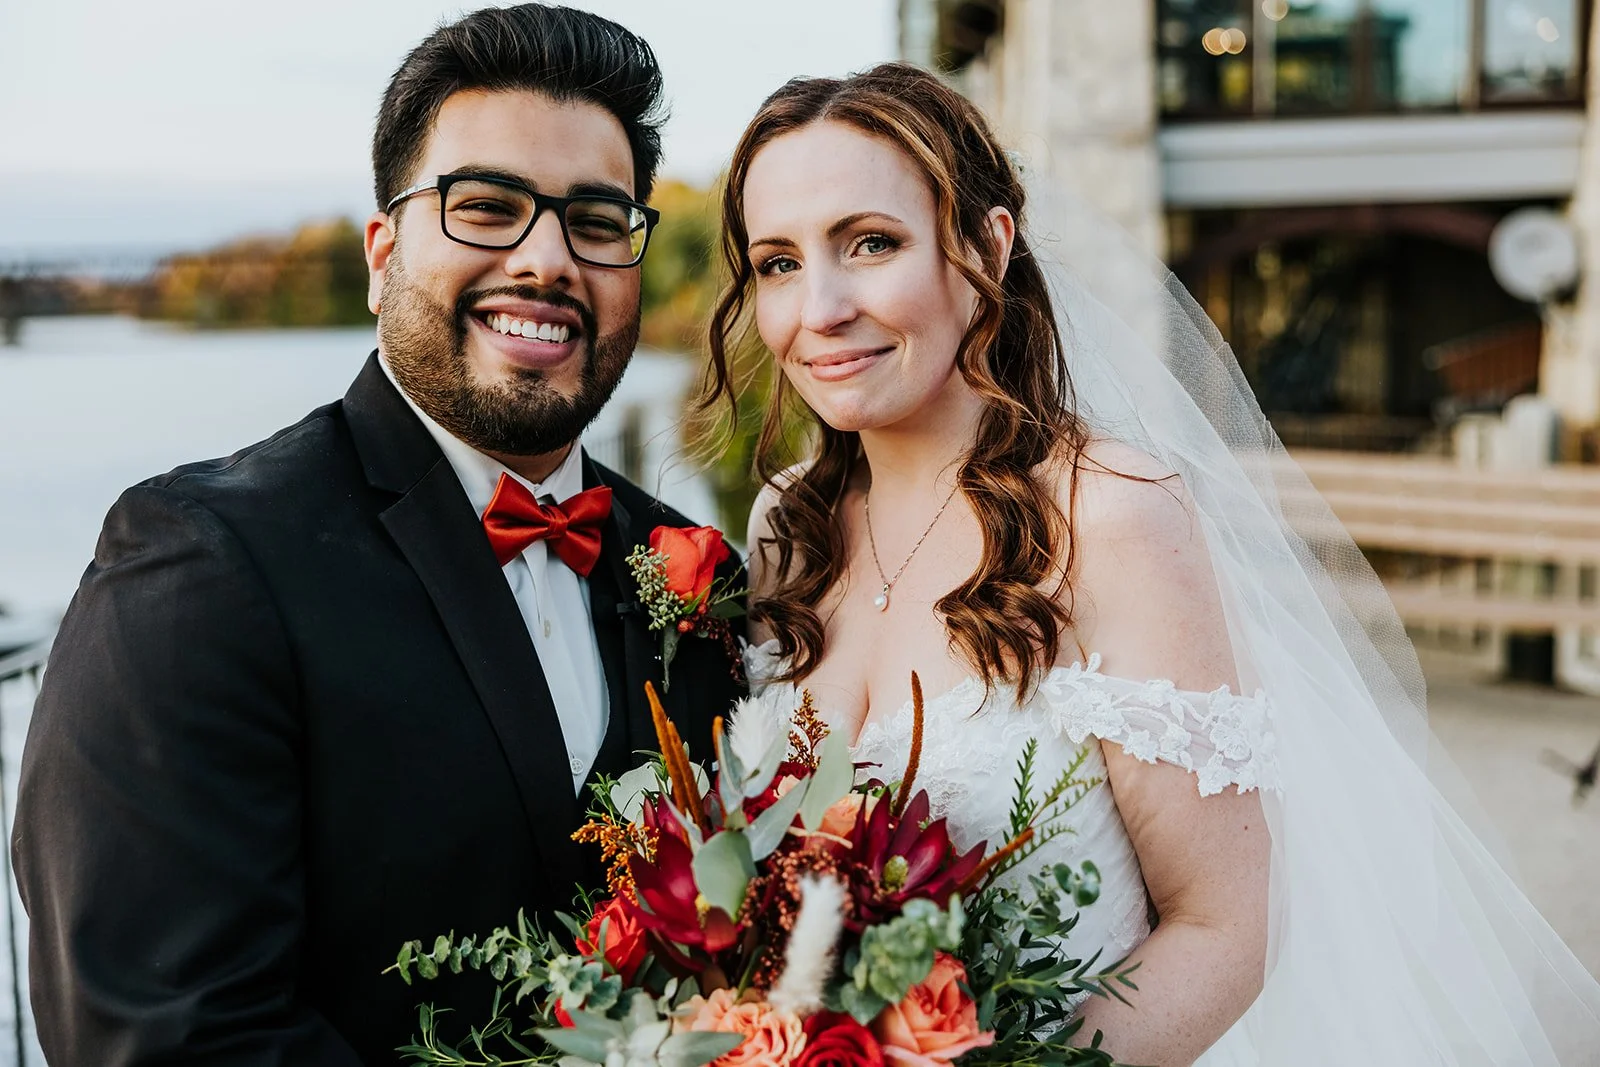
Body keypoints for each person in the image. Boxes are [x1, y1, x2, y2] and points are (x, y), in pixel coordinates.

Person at [707, 63, 1600, 1065]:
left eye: (871, 243)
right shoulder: (787, 525)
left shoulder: (1111, 515)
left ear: (988, 247)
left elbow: (1227, 928)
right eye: (778, 262)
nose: (820, 307)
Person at [12, 6, 744, 1064]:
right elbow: (166, 1035)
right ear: (382, 254)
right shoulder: (199, 565)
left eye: (595, 220)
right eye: (486, 206)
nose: (547, 260)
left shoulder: (693, 570)